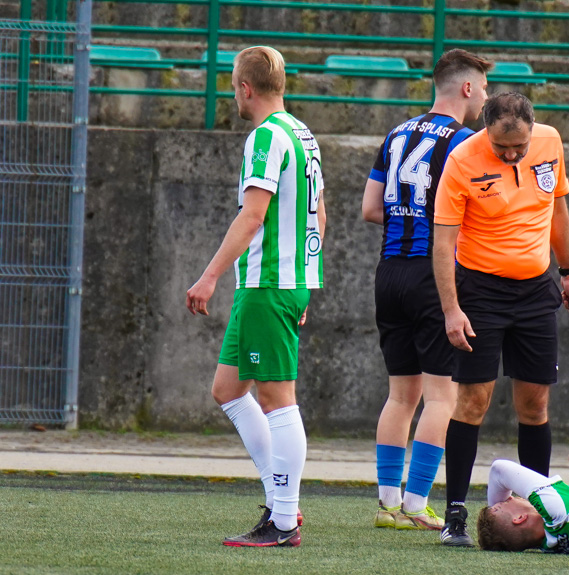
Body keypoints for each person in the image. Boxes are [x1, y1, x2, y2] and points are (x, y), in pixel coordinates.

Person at [186, 45, 325, 548]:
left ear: (245, 87)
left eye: (233, 86)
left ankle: (284, 520)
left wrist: (208, 277)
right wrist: (307, 278)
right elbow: (319, 214)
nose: (234, 94)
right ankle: (278, 497)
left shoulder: (265, 137)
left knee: (276, 399)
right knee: (227, 390)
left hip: (267, 284)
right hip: (278, 283)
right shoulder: (302, 134)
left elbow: (252, 216)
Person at [432, 92, 569, 546]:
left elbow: (557, 208)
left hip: (537, 290)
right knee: (472, 402)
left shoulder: (551, 142)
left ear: (534, 130)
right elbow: (443, 245)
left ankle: (540, 510)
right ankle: (455, 514)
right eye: (502, 148)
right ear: (485, 131)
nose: (512, 154)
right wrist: (451, 309)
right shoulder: (461, 160)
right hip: (481, 292)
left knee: (535, 405)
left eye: (519, 146)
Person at [361, 49, 493, 531]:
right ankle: (417, 505)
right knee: (443, 397)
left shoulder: (396, 133)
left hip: (389, 272)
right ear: (465, 88)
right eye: (482, 87)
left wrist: (407, 218)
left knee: (400, 396)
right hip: (430, 274)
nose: (485, 97)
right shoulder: (466, 142)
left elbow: (371, 208)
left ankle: (387, 504)